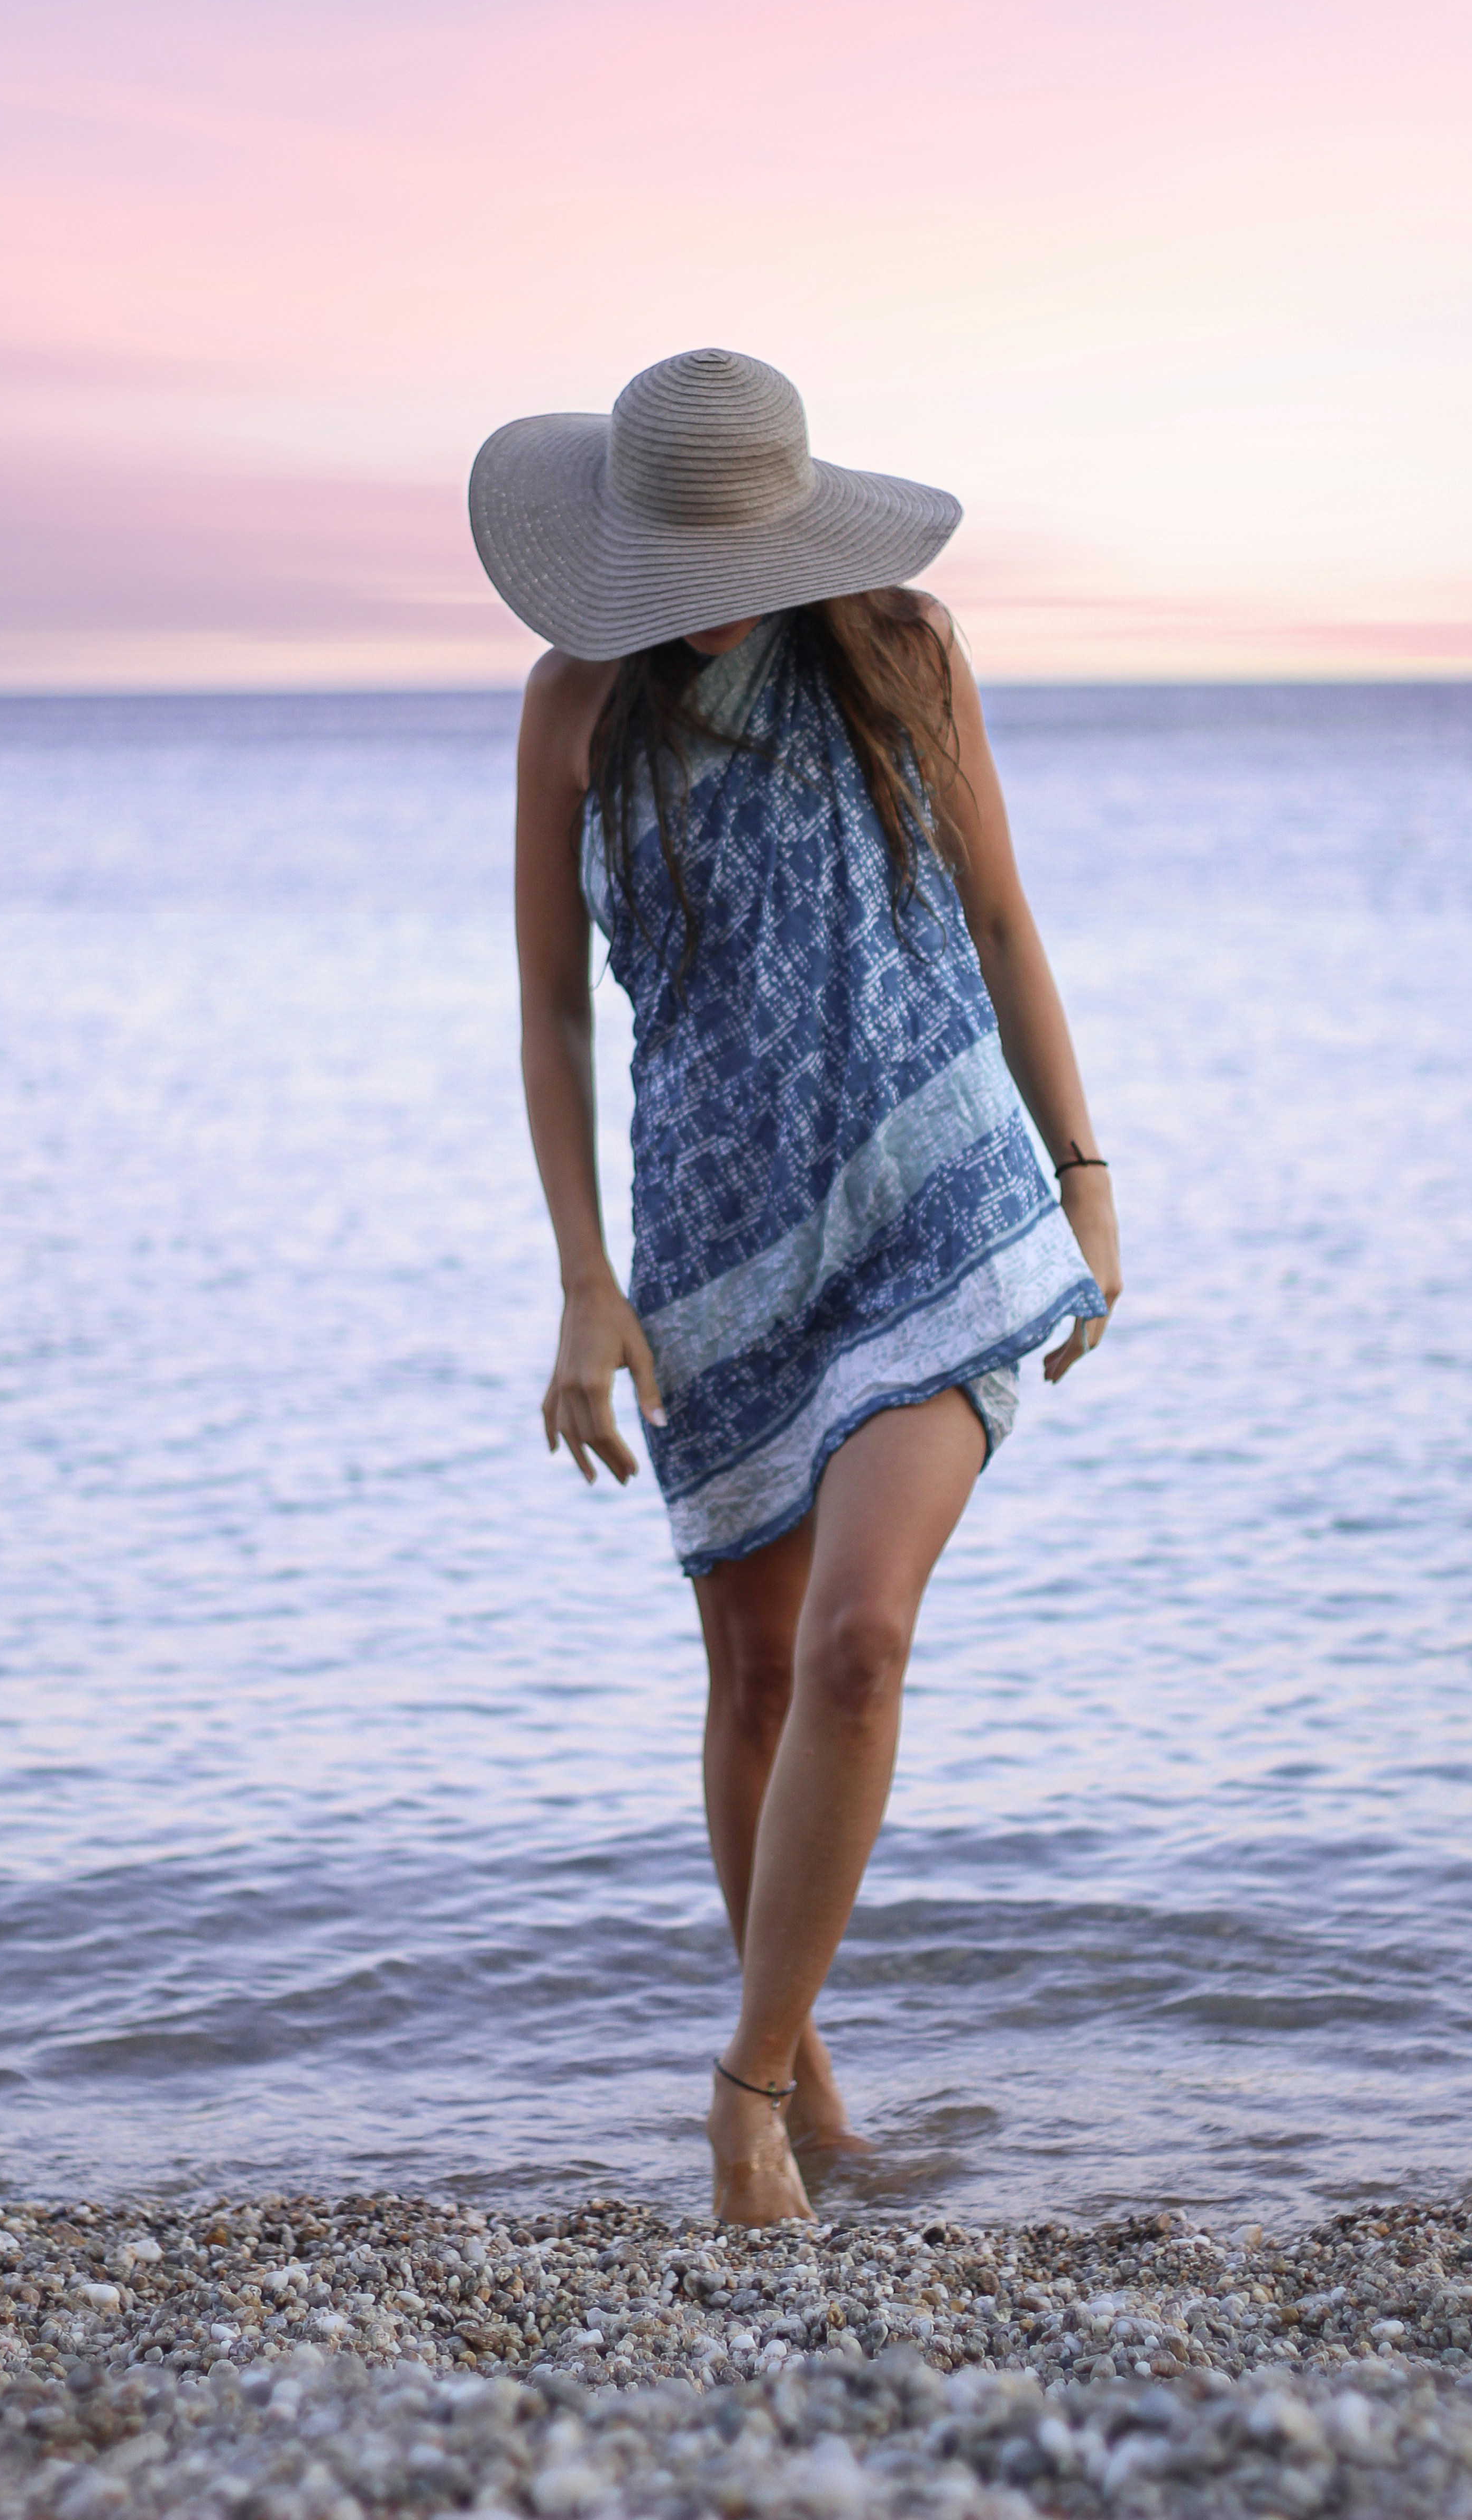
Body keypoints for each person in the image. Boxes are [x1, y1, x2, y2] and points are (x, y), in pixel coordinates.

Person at [469, 348, 1121, 2223]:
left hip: (939, 1200)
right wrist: (585, 1283)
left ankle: (742, 2094)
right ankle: (816, 2083)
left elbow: (1001, 914)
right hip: (716, 1243)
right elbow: (544, 1007)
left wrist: (1086, 1180)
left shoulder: (901, 648)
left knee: (857, 1642)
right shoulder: (575, 704)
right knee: (751, 1664)